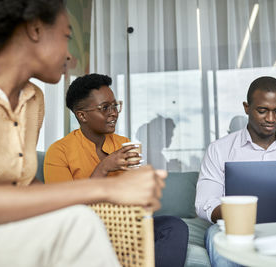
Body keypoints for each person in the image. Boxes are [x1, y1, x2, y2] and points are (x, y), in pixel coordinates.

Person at [0, 1, 166, 266]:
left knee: (81, 220)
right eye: (66, 37)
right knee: (79, 225)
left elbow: (24, 184)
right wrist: (107, 188)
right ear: (35, 29)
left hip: (5, 226)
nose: (70, 56)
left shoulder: (33, 99)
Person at [44, 73, 189, 267]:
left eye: (115, 105)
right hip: (86, 231)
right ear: (82, 115)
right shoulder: (59, 152)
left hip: (127, 227)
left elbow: (137, 197)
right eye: (105, 108)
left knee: (175, 226)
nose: (114, 113)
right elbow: (65, 210)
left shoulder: (123, 144)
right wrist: (103, 168)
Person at [195, 76, 276, 267]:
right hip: (236, 229)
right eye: (262, 111)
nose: (271, 119)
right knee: (214, 234)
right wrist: (244, 212)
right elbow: (204, 204)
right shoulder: (219, 149)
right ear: (246, 107)